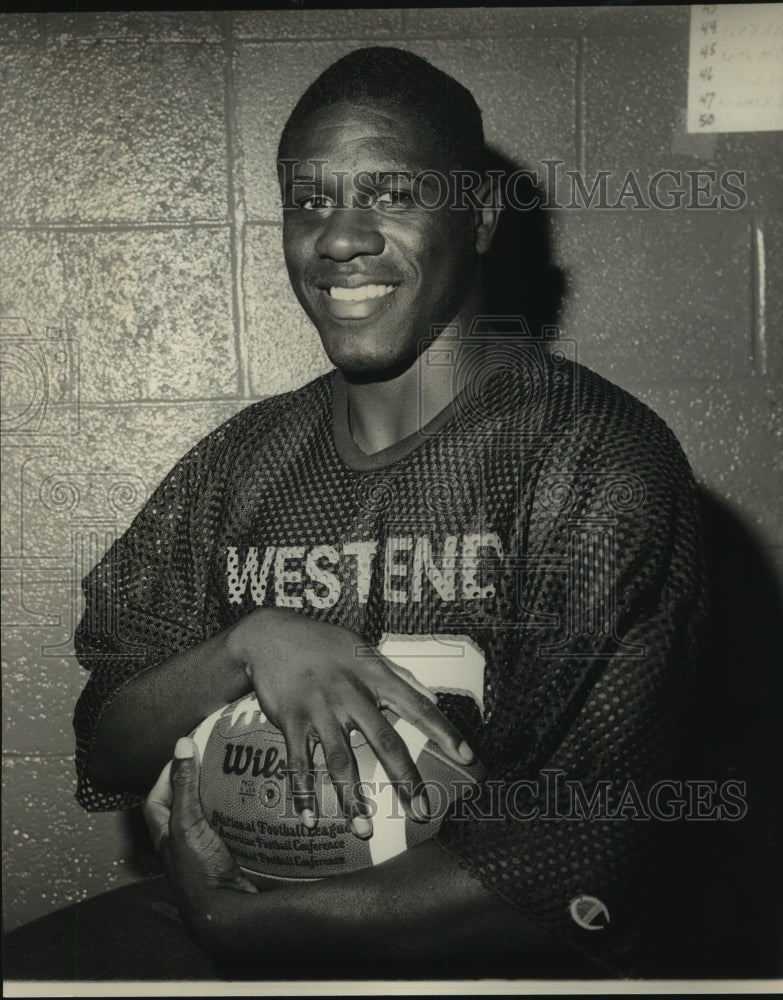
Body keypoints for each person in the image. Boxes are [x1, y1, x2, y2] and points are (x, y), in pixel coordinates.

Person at [7, 47, 708, 982]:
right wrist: (246, 645)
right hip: (234, 893)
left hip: (472, 949)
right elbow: (111, 743)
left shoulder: (592, 459)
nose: (340, 238)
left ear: (481, 216)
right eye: (309, 202)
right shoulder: (241, 462)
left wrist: (243, 932)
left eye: (392, 195)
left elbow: (591, 857)